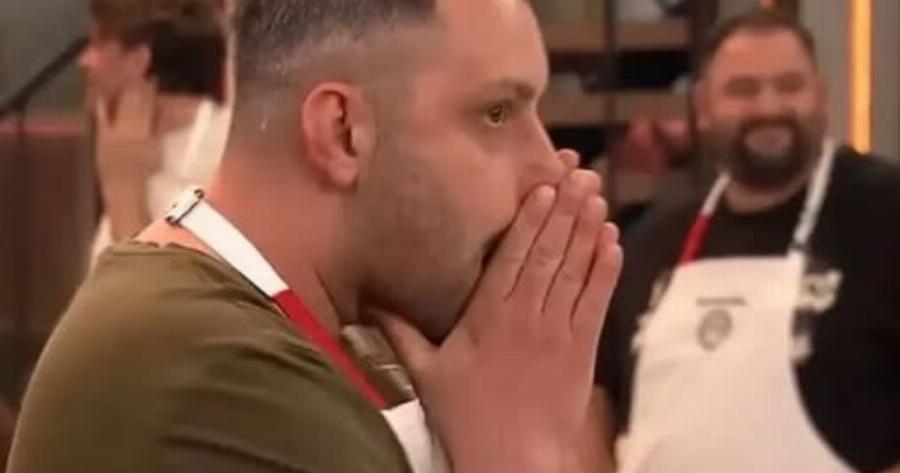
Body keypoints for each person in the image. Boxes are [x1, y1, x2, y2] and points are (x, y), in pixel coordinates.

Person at [7, 0, 623, 472]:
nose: (548, 168)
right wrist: (519, 456)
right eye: (496, 113)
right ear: (342, 132)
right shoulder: (213, 371)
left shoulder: (339, 330)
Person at [593, 8, 900, 473]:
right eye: (743, 90)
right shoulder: (653, 239)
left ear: (821, 96)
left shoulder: (884, 213)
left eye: (789, 86)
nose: (768, 107)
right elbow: (598, 402)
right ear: (703, 107)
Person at [81, 0, 233, 261]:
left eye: (98, 45)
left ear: (139, 60)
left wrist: (123, 189)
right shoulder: (126, 141)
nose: (84, 61)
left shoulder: (217, 154)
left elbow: (141, 284)